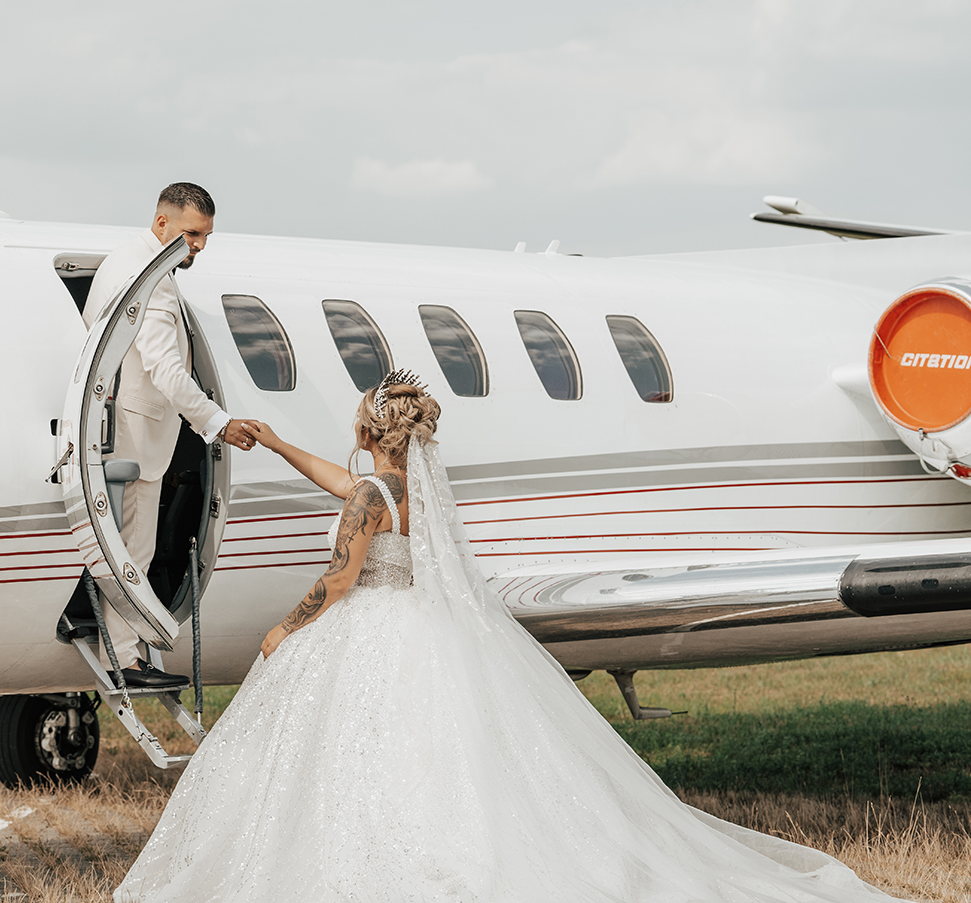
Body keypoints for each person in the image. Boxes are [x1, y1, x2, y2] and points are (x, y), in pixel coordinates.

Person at [116, 371, 902, 902]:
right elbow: (349, 487)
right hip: (418, 624)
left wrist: (283, 629)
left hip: (366, 623)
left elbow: (340, 580)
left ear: (369, 428)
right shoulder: (409, 491)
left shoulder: (368, 499)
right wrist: (284, 447)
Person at [81, 182, 258, 689]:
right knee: (134, 549)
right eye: (192, 233)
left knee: (124, 544)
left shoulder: (124, 260)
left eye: (205, 235)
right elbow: (166, 370)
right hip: (136, 437)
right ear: (163, 224)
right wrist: (219, 422)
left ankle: (124, 650)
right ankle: (126, 659)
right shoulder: (152, 281)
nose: (199, 245)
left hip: (117, 428)